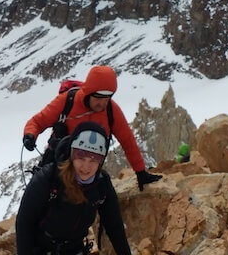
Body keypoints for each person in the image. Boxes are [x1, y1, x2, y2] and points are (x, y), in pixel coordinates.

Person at [16, 121, 151, 255]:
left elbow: (113, 223)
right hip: (40, 247)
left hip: (71, 248)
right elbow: (24, 221)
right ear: (72, 153)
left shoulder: (101, 185)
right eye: (80, 157)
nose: (86, 167)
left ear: (101, 161)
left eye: (93, 160)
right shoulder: (49, 178)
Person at [22, 65, 161, 190]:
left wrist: (140, 172)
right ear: (88, 92)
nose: (102, 103)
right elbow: (37, 122)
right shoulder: (67, 101)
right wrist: (30, 135)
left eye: (107, 99)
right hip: (57, 167)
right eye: (98, 98)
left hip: (87, 172)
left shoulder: (111, 110)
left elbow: (128, 141)